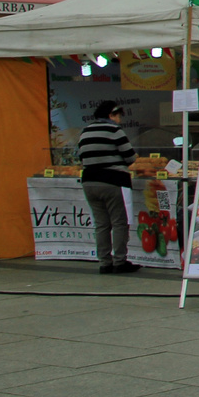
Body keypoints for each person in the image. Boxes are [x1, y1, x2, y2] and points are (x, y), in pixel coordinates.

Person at [77, 100, 140, 275]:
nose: (120, 120)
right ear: (111, 115)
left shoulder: (85, 131)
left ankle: (105, 262)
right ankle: (120, 262)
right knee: (119, 222)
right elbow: (130, 157)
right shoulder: (114, 130)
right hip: (113, 181)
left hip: (89, 182)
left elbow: (81, 157)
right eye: (118, 116)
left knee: (101, 224)